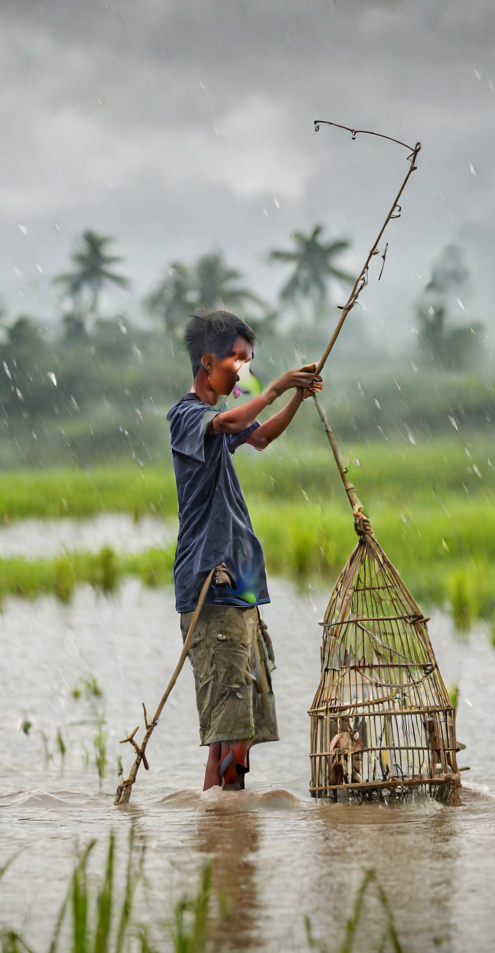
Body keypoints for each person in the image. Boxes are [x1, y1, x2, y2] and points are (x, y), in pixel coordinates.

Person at [167, 309, 322, 791]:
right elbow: (230, 420)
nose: (244, 371)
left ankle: (227, 827)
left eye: (249, 362)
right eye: (238, 360)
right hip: (211, 586)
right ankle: (224, 822)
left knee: (240, 730)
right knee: (226, 727)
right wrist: (273, 388)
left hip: (242, 586)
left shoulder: (225, 420)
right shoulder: (188, 416)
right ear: (208, 362)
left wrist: (295, 397)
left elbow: (261, 436)